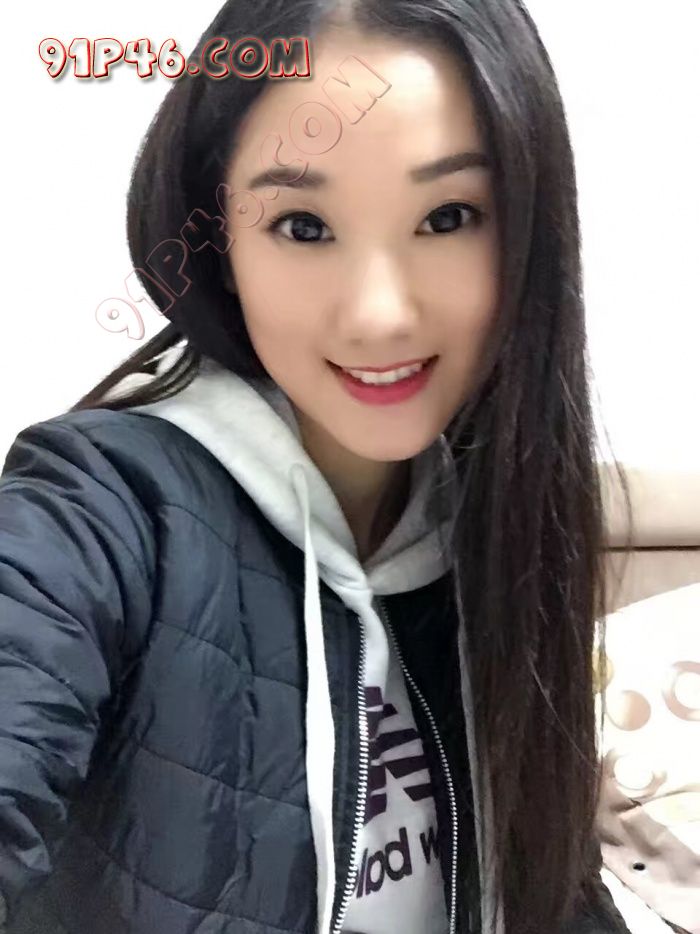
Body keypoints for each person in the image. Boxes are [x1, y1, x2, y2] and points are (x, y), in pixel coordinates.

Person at [0, 1, 635, 932]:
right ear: (222, 242)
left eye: (448, 217)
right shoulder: (101, 507)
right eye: (301, 225)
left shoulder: (500, 524)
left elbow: (558, 892)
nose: (378, 315)